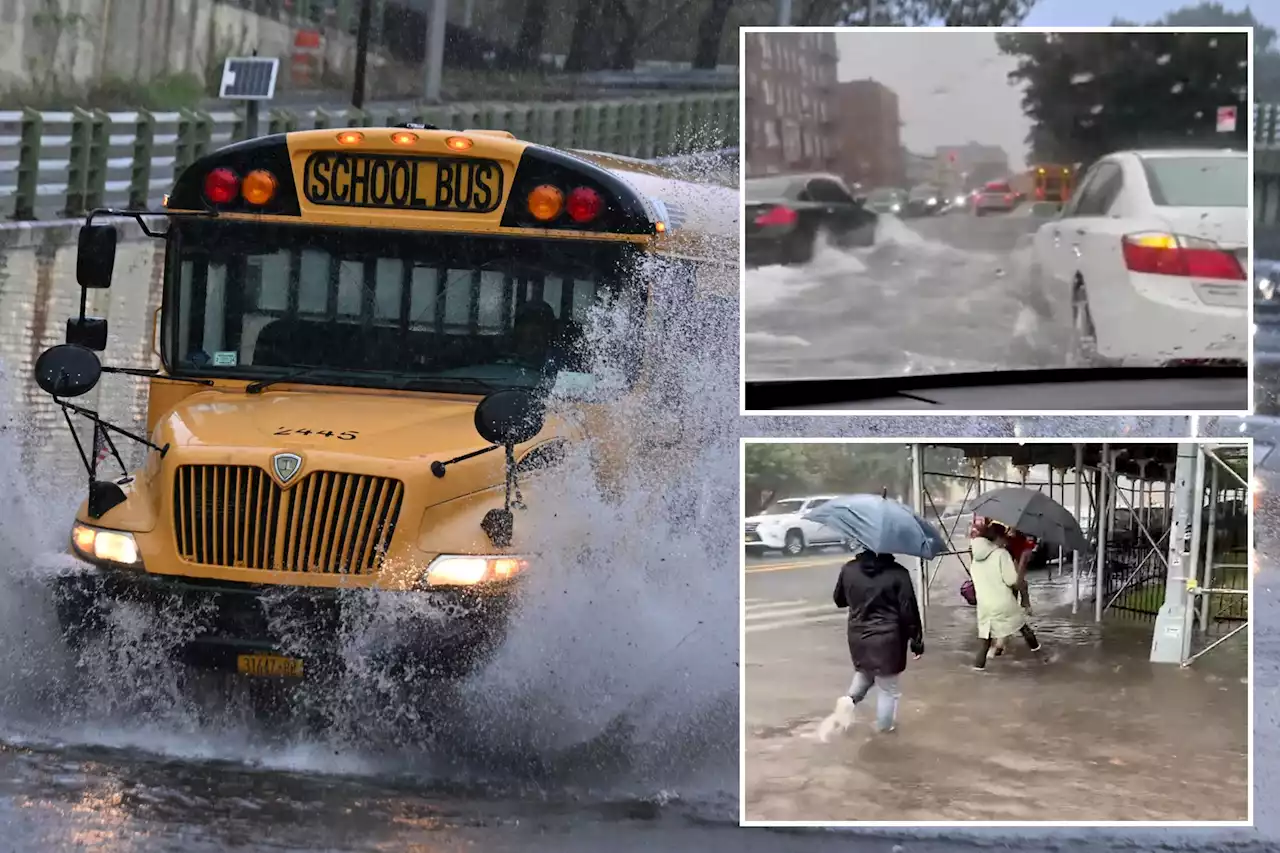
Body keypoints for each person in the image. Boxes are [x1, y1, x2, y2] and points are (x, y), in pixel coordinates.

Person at [816, 548, 924, 741]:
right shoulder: (898, 573)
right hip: (888, 639)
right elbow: (909, 611)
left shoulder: (849, 569)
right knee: (887, 689)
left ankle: (848, 701)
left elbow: (839, 600)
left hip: (859, 636)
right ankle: (884, 733)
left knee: (866, 673)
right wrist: (916, 641)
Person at [969, 521, 1048, 670]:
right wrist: (1022, 566)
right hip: (1002, 602)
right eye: (1004, 537)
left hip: (984, 605)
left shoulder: (975, 557)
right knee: (1024, 628)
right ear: (998, 538)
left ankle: (977, 670)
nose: (1006, 541)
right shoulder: (1001, 554)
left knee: (985, 642)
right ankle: (1042, 658)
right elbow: (1012, 581)